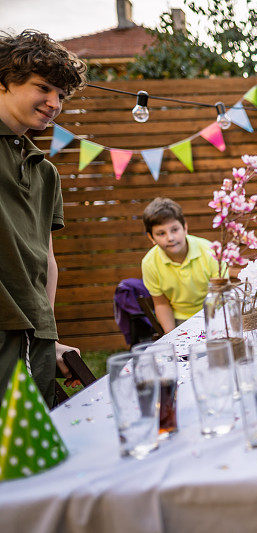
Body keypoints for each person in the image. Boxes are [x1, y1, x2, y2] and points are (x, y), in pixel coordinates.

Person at [0, 30, 86, 407]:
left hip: (34, 337)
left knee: (36, 454)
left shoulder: (45, 171)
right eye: (44, 88)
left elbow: (46, 260)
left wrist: (46, 336)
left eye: (61, 96)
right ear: (5, 81)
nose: (54, 103)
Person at [141, 197, 225, 333]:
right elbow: (161, 303)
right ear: (151, 238)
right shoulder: (149, 263)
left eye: (174, 230)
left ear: (185, 228)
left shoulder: (210, 251)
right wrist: (172, 337)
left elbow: (220, 296)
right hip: (180, 319)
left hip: (214, 313)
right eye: (161, 233)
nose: (170, 238)